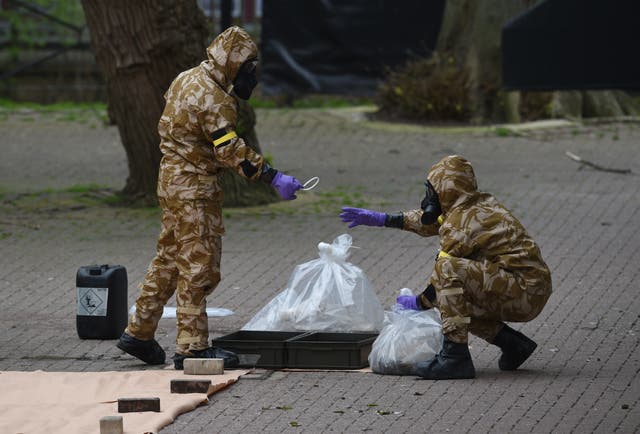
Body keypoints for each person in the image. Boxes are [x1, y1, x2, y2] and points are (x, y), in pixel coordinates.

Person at [117, 26, 303, 370]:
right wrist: (272, 177)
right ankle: (192, 348)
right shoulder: (215, 99)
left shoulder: (186, 78)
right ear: (232, 64)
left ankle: (139, 332)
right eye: (248, 68)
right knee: (198, 267)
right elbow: (230, 150)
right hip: (194, 190)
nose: (251, 75)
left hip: (171, 181)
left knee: (170, 259)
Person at [339, 155, 552, 380]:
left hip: (524, 292)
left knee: (448, 272)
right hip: (526, 287)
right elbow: (429, 222)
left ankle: (455, 358)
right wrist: (384, 219)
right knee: (455, 299)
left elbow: (443, 276)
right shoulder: (472, 207)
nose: (429, 197)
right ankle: (513, 344)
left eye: (432, 190)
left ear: (446, 189)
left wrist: (419, 303)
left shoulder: (465, 223)